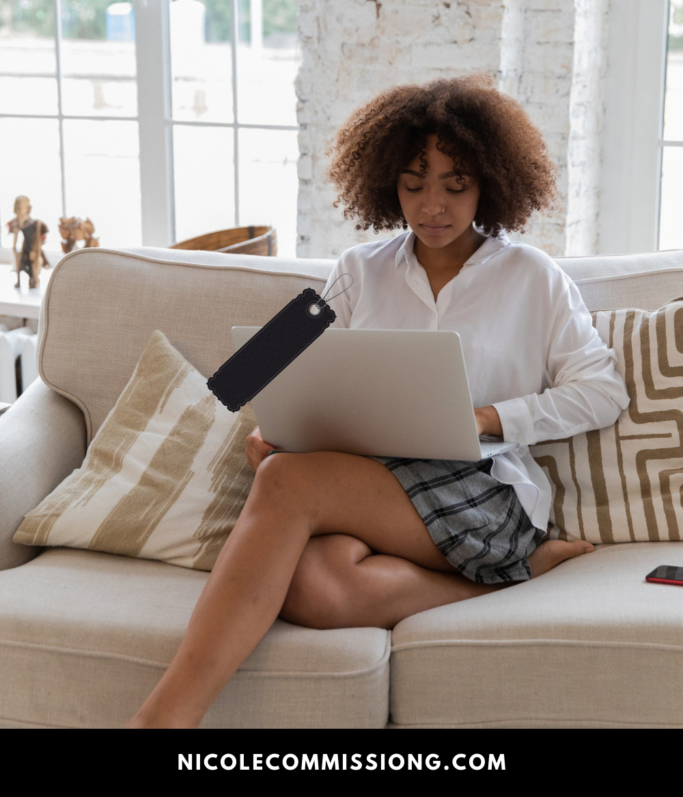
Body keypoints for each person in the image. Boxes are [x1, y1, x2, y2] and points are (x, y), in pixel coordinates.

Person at [127, 75, 629, 728]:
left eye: (455, 185)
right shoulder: (358, 270)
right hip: (372, 488)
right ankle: (521, 573)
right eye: (412, 183)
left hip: (482, 493)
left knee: (286, 482)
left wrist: (488, 417)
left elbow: (602, 391)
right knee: (314, 589)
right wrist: (269, 423)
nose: (432, 206)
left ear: (489, 184)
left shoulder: (533, 278)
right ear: (384, 182)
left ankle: (163, 720)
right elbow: (256, 364)